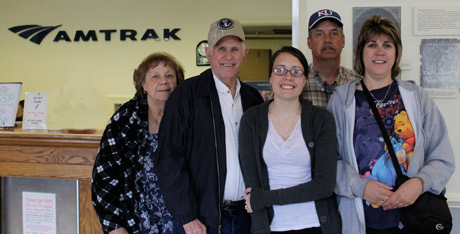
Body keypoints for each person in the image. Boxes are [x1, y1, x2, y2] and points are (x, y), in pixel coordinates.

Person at [326, 15, 455, 234]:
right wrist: (361, 187)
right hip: (361, 221)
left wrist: (419, 183)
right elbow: (328, 159)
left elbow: (443, 158)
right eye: (372, 45)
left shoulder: (416, 97)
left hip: (412, 220)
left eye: (387, 45)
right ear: (361, 53)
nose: (380, 51)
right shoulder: (341, 100)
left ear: (396, 53)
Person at [156, 18, 264, 234]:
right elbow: (169, 159)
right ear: (208, 52)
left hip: (246, 218)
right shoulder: (186, 95)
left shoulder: (253, 99)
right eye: (221, 48)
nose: (228, 56)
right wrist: (187, 217)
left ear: (245, 53)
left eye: (235, 49)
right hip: (202, 221)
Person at [238, 46, 341, 234]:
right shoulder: (251, 121)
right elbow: (253, 188)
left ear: (304, 80)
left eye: (296, 71)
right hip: (271, 227)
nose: (288, 77)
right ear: (270, 77)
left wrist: (265, 198)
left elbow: (324, 186)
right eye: (280, 70)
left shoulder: (321, 120)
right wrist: (259, 202)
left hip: (316, 225)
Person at [91, 52, 185, 234]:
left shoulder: (186, 117)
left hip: (181, 220)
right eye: (155, 76)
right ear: (143, 85)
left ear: (177, 81)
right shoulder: (126, 119)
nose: (163, 81)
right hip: (137, 220)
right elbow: (103, 176)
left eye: (169, 75)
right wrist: (115, 226)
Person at [302, 9, 361, 108]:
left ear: (343, 41)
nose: (327, 40)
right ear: (309, 42)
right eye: (320, 34)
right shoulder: (298, 82)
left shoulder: (357, 83)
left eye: (333, 34)